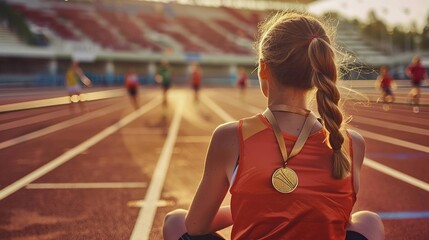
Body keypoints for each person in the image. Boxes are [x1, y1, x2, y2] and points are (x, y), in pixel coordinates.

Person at [162, 11, 384, 240]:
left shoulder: (231, 137)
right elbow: (337, 217)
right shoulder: (350, 142)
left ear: (263, 68)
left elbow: (196, 226)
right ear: (318, 70)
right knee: (369, 221)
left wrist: (247, 209)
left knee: (176, 221)